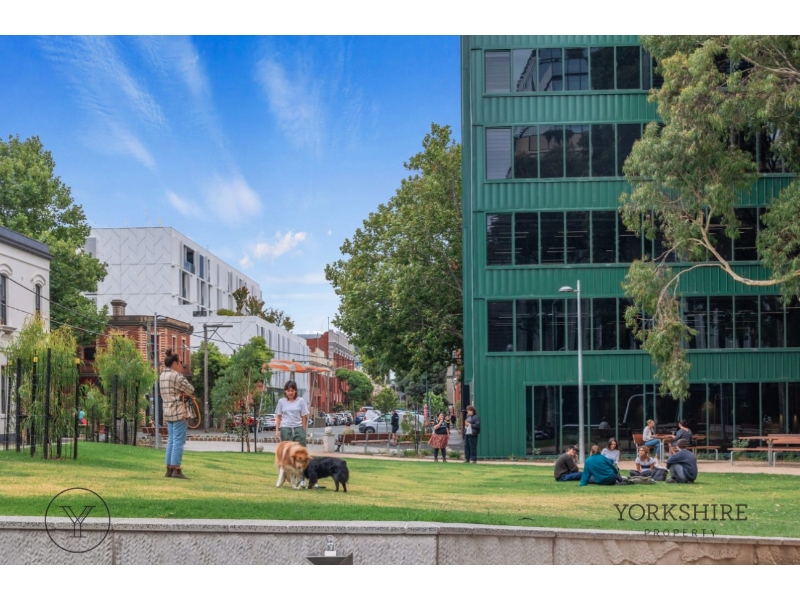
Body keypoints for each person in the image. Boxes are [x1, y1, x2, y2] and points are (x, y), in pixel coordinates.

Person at [160, 349, 195, 479]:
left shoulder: (162, 375)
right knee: (178, 441)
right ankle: (176, 469)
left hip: (167, 411)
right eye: (180, 363)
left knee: (171, 440)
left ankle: (169, 469)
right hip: (179, 412)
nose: (181, 365)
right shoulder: (176, 376)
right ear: (174, 363)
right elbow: (191, 389)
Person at [274, 380, 309, 446]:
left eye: (292, 391)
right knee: (287, 449)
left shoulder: (301, 401)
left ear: (295, 391)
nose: (290, 393)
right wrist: (277, 430)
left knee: (300, 449)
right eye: (288, 391)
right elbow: (278, 417)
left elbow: (304, 417)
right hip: (285, 428)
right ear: (285, 391)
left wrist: (303, 431)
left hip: (298, 428)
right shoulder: (281, 401)